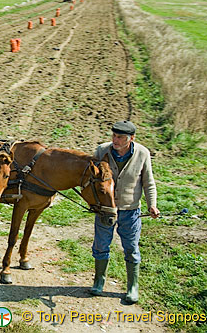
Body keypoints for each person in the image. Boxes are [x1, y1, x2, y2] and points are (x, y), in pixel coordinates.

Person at [90, 120, 160, 304]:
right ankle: (99, 282)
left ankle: (132, 287)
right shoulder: (101, 151)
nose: (115, 140)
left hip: (130, 211)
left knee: (131, 248)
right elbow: (92, 179)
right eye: (114, 135)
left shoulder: (142, 153)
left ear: (131, 138)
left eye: (120, 137)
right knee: (101, 245)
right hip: (106, 209)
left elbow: (148, 182)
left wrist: (152, 204)